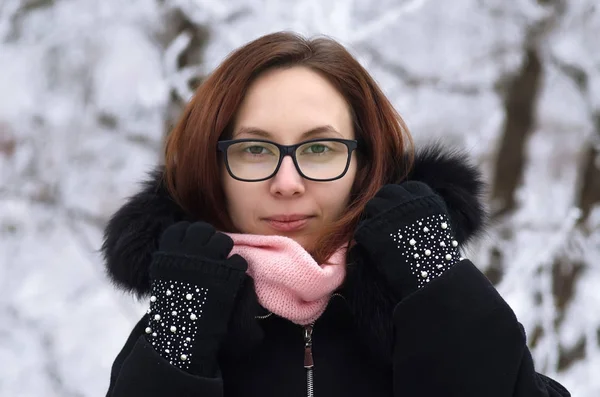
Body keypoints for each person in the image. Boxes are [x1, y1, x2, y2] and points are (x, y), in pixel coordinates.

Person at [101, 32, 570, 397]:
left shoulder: (423, 308)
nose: (287, 182)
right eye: (254, 149)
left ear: (366, 163)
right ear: (214, 167)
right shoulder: (183, 322)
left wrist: (436, 283)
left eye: (320, 148)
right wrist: (179, 338)